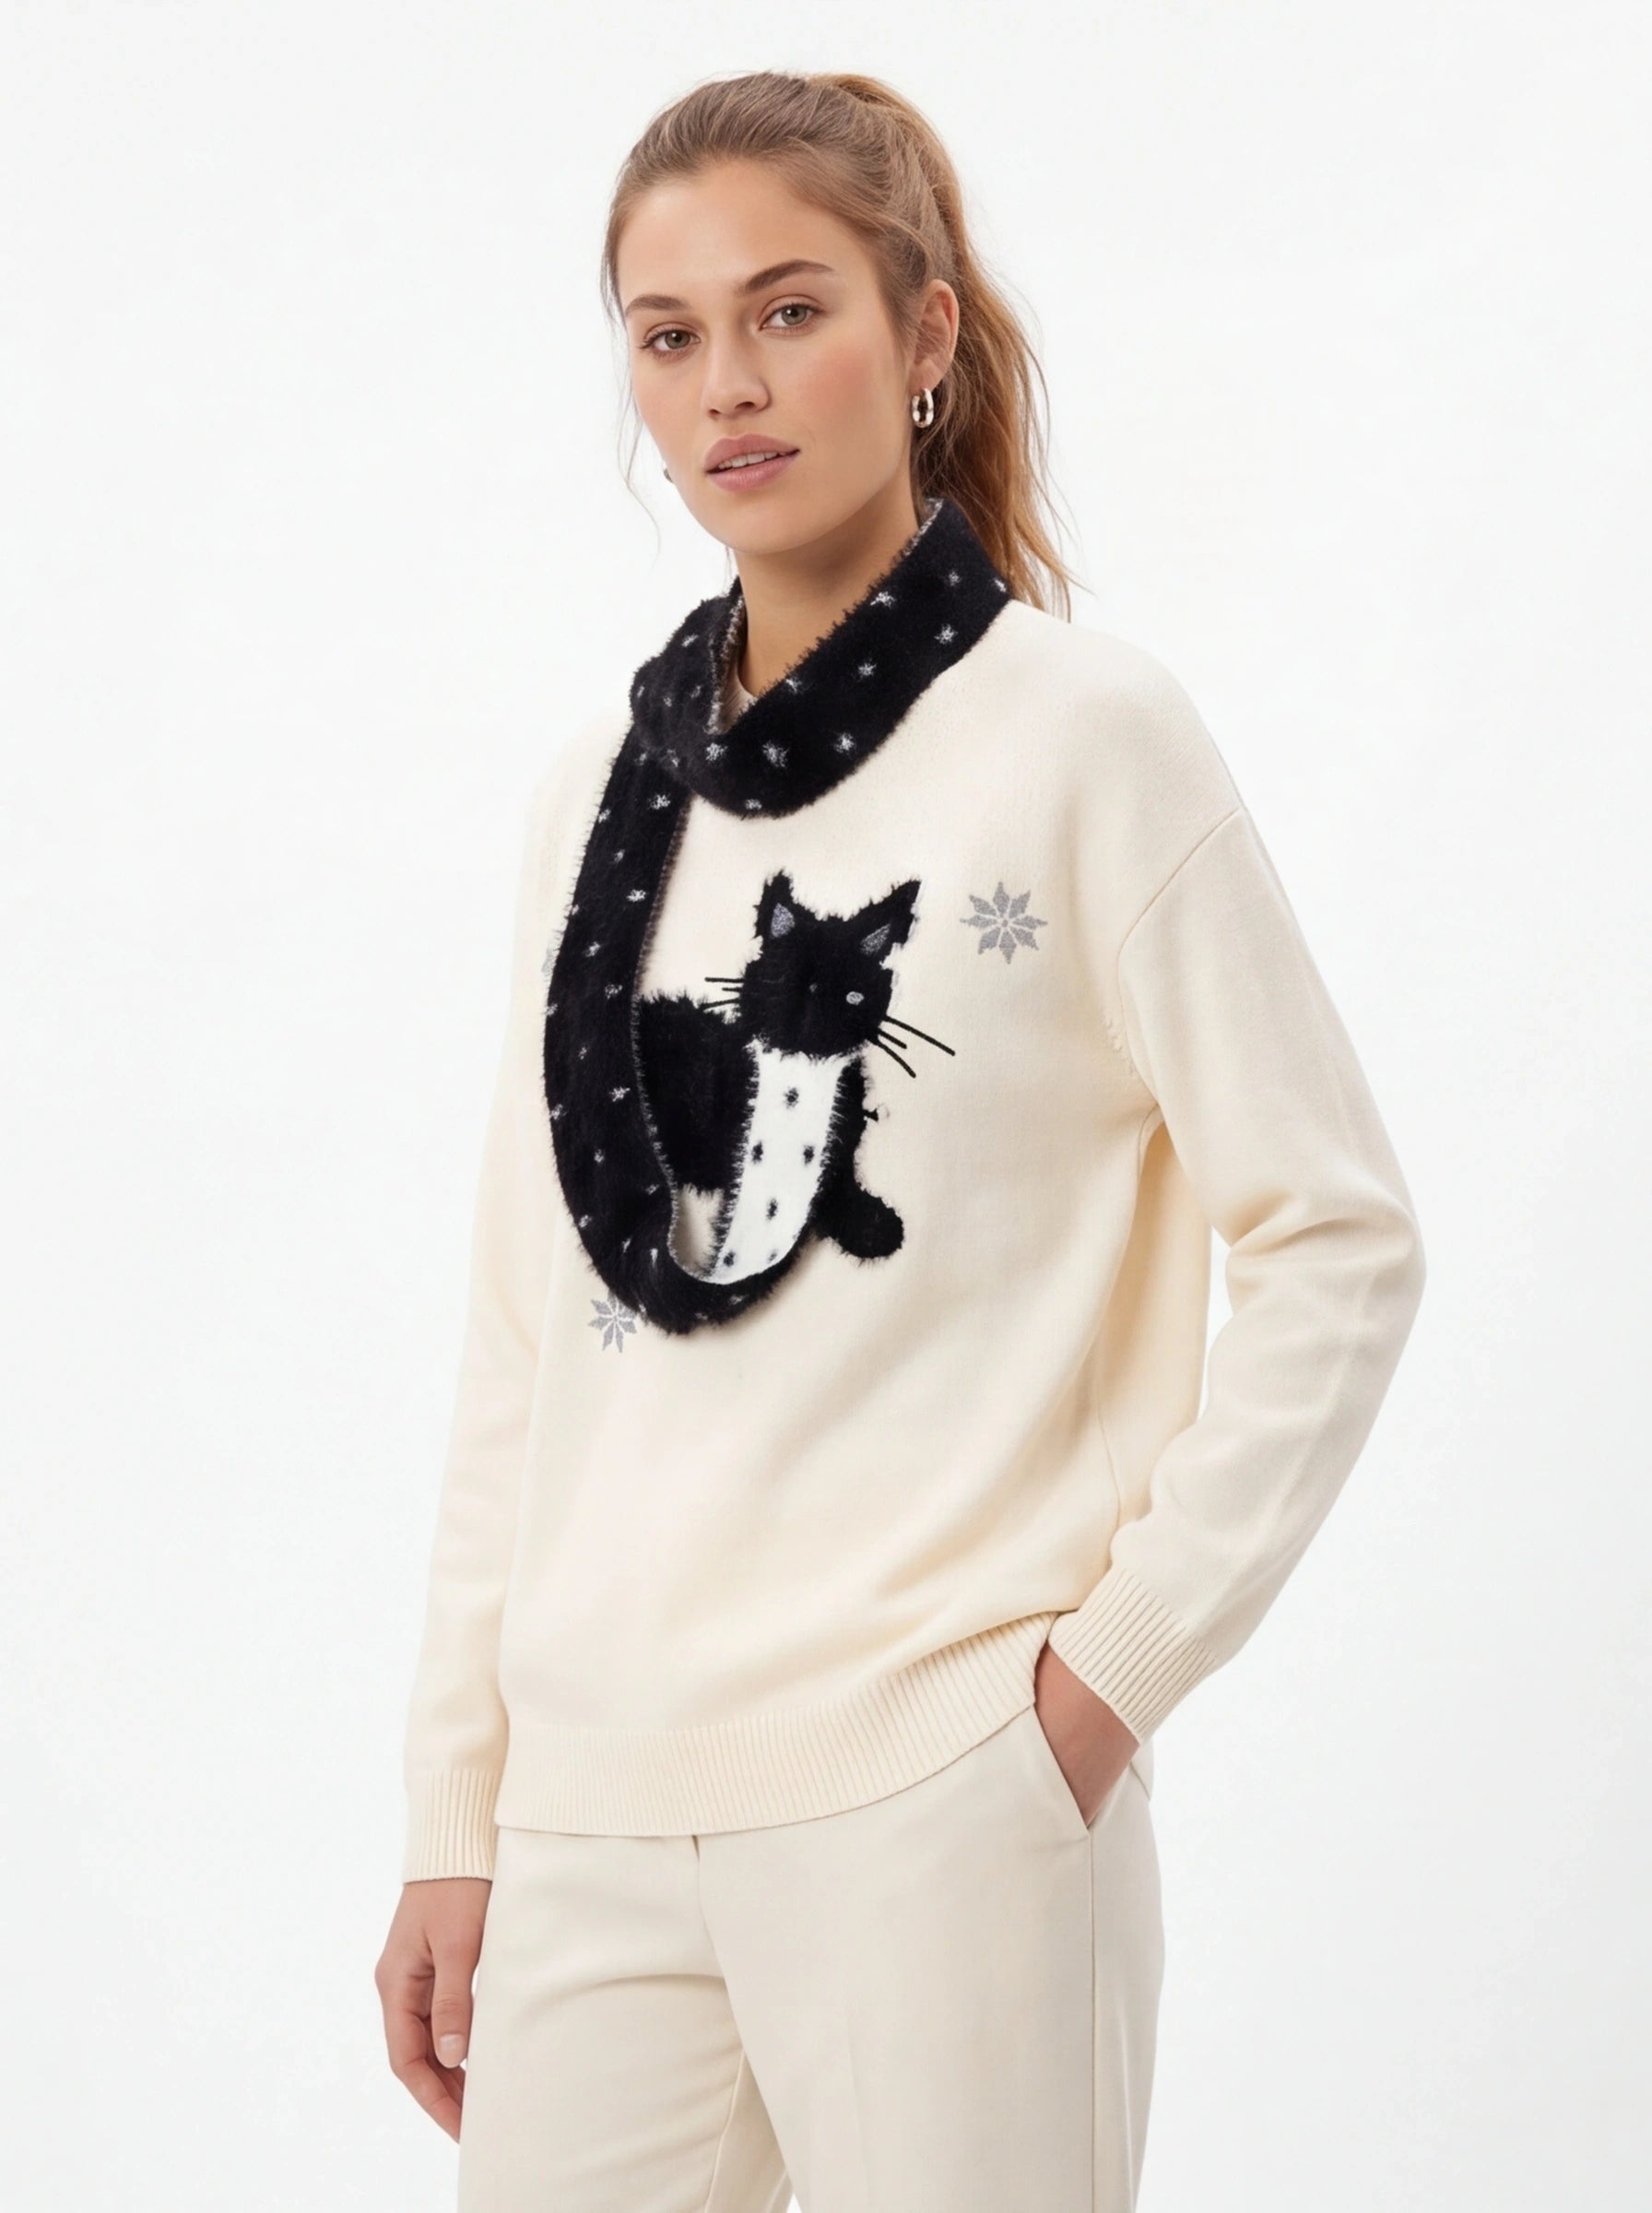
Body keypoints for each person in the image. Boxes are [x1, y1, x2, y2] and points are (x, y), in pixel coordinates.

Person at [373, 68, 1427, 2213]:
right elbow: (523, 1340)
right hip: (588, 1815)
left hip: (935, 1792)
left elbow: (1335, 1237)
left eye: (789, 311)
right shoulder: (599, 799)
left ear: (922, 332)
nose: (726, 387)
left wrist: (1092, 1695)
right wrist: (457, 1814)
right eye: (668, 335)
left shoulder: (1083, 739)